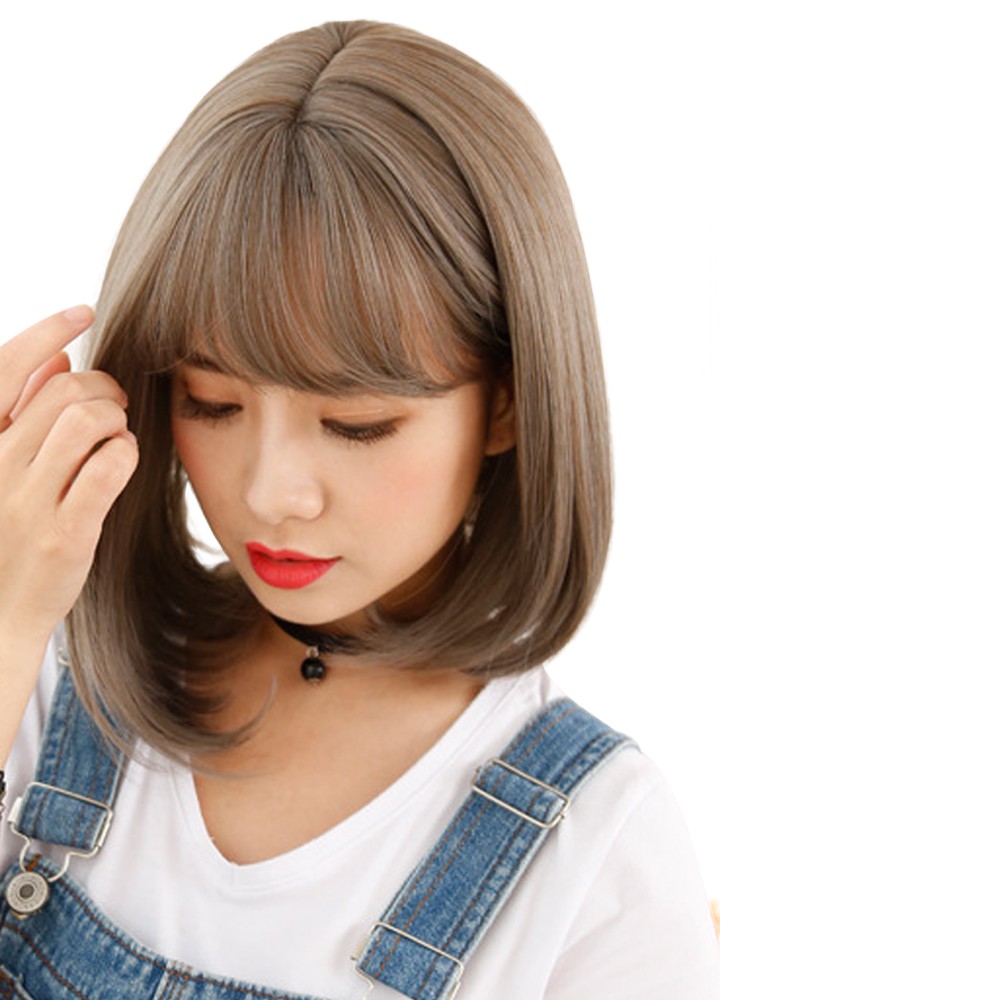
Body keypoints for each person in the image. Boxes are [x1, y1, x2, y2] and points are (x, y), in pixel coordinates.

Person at [0, 19, 719, 999]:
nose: (268, 492)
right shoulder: (45, 660)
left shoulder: (594, 856)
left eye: (357, 422)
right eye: (212, 402)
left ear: (507, 400)